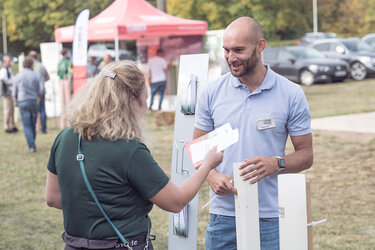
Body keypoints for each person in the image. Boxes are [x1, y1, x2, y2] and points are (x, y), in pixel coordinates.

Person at [45, 60, 224, 250]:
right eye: (145, 99)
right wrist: (207, 165)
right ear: (132, 99)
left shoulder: (65, 138)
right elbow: (175, 202)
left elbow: (53, 198)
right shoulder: (129, 150)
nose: (146, 107)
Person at [193, 17, 313, 250]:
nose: (230, 58)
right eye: (226, 50)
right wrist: (212, 176)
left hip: (270, 216)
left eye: (239, 50)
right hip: (223, 216)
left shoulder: (291, 93)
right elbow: (198, 148)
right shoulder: (211, 92)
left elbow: (306, 155)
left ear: (260, 46)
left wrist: (276, 163)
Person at [13, 56, 44, 153]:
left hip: (22, 101)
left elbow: (15, 90)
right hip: (34, 101)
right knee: (33, 123)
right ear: (31, 65)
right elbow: (42, 89)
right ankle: (32, 142)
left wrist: (15, 101)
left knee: (26, 125)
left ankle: (31, 145)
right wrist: (38, 97)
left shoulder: (18, 75)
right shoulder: (36, 75)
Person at [29, 50, 50, 133]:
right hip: (41, 90)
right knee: (42, 110)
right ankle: (43, 128)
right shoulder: (41, 66)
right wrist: (41, 81)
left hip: (32, 91)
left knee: (33, 110)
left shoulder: (29, 67)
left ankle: (35, 127)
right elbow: (48, 77)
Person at [0, 55, 18, 133]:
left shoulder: (8, 69)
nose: (10, 62)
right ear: (5, 62)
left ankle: (12, 124)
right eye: (8, 61)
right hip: (7, 92)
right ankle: (6, 126)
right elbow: (3, 78)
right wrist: (9, 83)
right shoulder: (4, 70)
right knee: (7, 109)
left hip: (10, 92)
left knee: (11, 109)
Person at [58, 48, 72, 129]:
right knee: (68, 102)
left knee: (62, 103)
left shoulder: (59, 62)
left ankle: (62, 125)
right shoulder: (68, 61)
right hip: (67, 80)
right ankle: (69, 123)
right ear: (66, 53)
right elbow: (70, 71)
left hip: (61, 80)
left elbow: (58, 72)